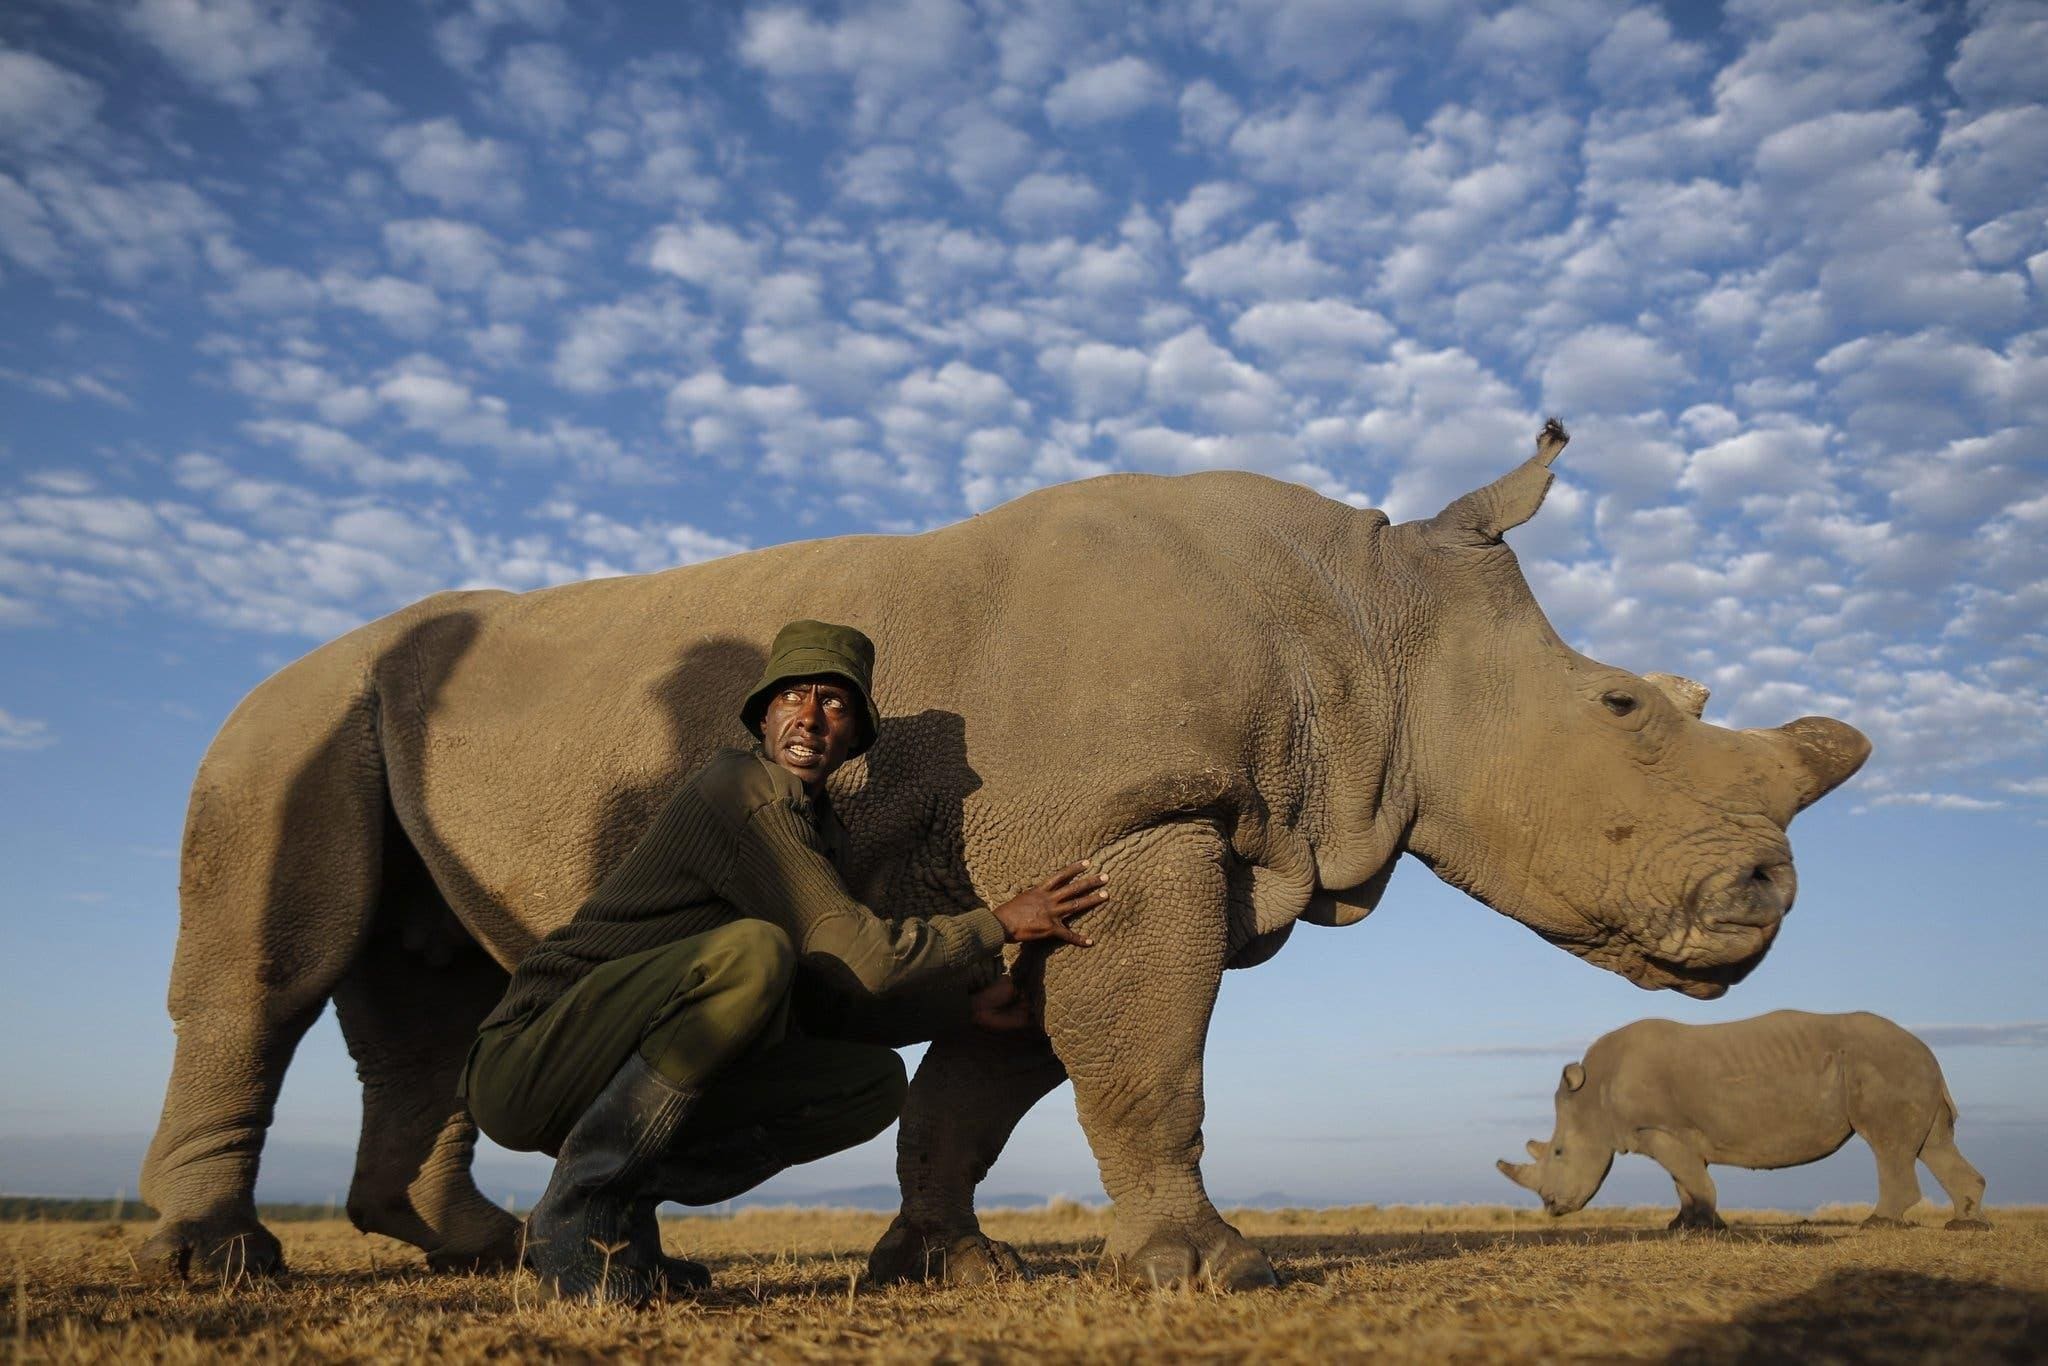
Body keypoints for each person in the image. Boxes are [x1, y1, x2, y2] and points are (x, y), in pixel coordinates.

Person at [460, 619, 1106, 1304]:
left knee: (869, 1084)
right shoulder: (740, 787)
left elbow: (831, 996)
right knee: (755, 954)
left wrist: (960, 1008)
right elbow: (859, 952)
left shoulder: (819, 832)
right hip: (527, 1059)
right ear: (763, 717)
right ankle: (575, 1209)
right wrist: (998, 923)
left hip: (606, 1079)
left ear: (854, 734)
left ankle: (617, 1221)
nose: (809, 717)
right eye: (793, 696)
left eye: (834, 702)